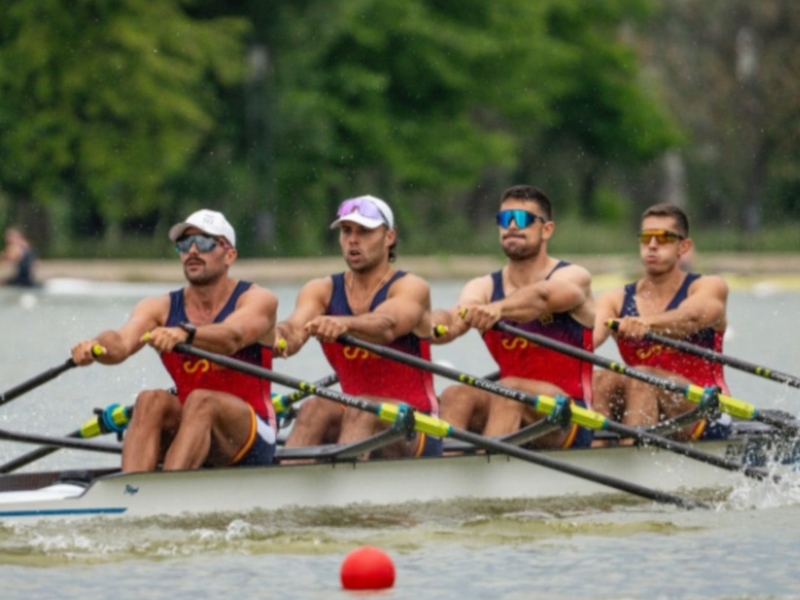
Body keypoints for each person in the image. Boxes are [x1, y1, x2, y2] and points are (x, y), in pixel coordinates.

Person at [71, 209, 279, 471]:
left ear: (230, 255)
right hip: (194, 427)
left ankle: (166, 494)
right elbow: (121, 343)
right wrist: (95, 347)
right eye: (184, 244)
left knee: (202, 400)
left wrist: (185, 334)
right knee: (149, 400)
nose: (192, 251)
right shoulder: (159, 307)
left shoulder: (257, 299)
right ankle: (133, 490)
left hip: (254, 434)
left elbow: (232, 337)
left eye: (203, 243)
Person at [275, 195, 440, 459]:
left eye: (365, 231)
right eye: (346, 231)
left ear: (389, 237)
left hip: (415, 424)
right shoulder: (321, 290)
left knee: (363, 409)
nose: (353, 239)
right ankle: (285, 491)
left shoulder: (411, 287)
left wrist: (343, 324)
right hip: (356, 415)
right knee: (315, 407)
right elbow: (293, 331)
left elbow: (386, 325)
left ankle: (343, 490)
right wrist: (275, 338)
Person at [431, 185, 595, 449]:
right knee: (456, 395)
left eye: (522, 219)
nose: (512, 227)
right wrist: (424, 324)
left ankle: (488, 476)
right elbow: (451, 322)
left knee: (510, 389)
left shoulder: (573, 276)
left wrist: (499, 309)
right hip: (509, 399)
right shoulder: (482, 286)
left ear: (547, 229)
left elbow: (542, 296)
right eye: (504, 220)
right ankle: (446, 477)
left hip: (571, 415)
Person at [592, 203, 731, 445]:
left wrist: (646, 323)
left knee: (642, 376)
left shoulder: (709, 286)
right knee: (600, 378)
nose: (653, 245)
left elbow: (691, 317)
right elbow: (588, 338)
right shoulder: (614, 299)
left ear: (683, 246)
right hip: (642, 401)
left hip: (705, 410)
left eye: (664, 238)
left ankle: (630, 454)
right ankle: (596, 453)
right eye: (646, 237)